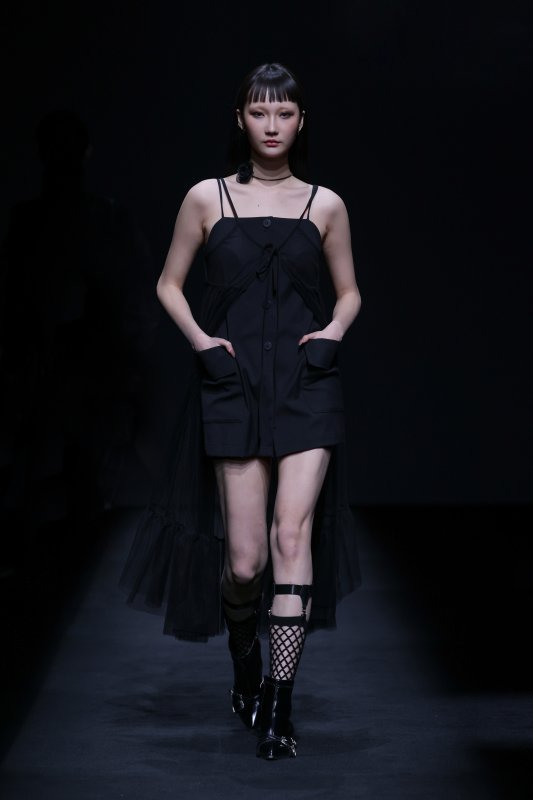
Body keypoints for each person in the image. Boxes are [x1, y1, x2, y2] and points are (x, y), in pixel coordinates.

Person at [120, 62, 362, 760]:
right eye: (259, 112)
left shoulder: (325, 205)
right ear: (240, 119)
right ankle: (244, 657)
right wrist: (202, 343)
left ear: (301, 121)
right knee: (246, 561)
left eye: (284, 113)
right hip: (232, 387)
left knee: (292, 536)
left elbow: (349, 291)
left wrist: (333, 332)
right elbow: (168, 284)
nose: (272, 126)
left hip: (306, 385)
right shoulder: (207, 198)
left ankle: (279, 708)